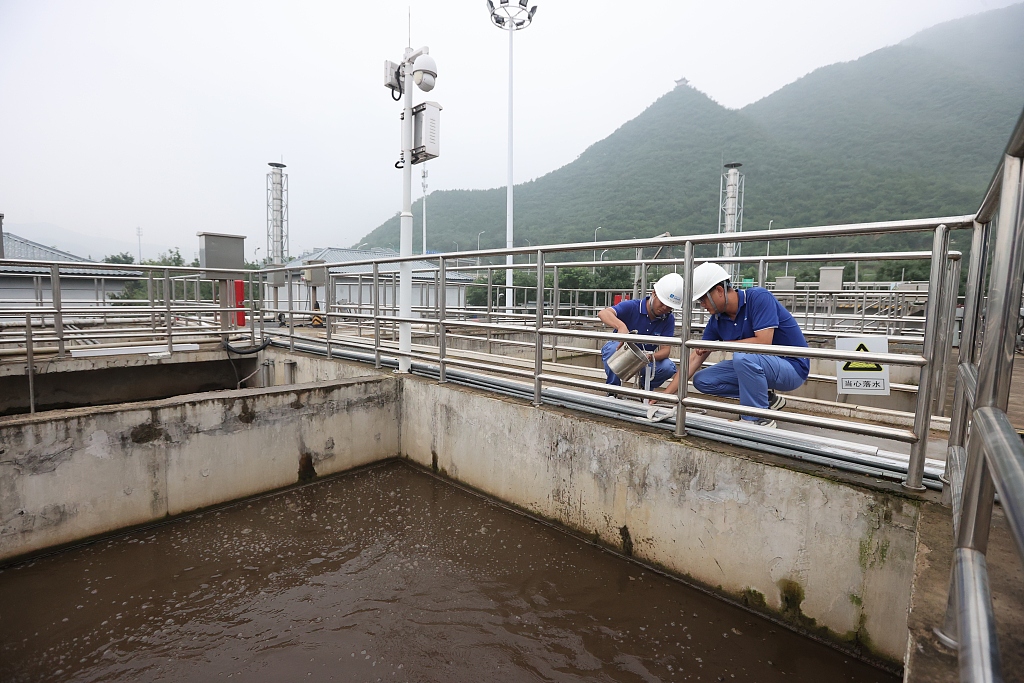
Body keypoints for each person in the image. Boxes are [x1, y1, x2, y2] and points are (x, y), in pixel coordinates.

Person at [661, 262, 809, 428]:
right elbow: (695, 357)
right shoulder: (717, 320)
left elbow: (763, 342)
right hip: (757, 364)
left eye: (703, 298)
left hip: (792, 367)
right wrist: (665, 397)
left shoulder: (758, 298)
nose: (702, 305)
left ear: (719, 290)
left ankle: (758, 418)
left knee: (743, 355)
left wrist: (719, 345)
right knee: (703, 380)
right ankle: (765, 399)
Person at [598, 273, 685, 391]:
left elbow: (665, 350)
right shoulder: (633, 306)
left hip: (645, 358)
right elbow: (603, 313)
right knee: (613, 349)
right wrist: (621, 326)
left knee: (668, 367)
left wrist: (650, 356)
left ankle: (645, 387)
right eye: (662, 303)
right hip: (622, 351)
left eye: (669, 306)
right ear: (654, 293)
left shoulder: (668, 318)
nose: (665, 308)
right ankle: (613, 390)